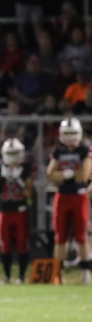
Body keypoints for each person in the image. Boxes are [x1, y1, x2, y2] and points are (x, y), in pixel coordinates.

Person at [46, 118, 91, 284]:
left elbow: (83, 176)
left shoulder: (85, 151)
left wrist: (64, 174)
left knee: (81, 235)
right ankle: (57, 274)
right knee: (60, 237)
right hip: (62, 196)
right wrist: (69, 174)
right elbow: (50, 174)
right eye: (67, 133)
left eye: (73, 133)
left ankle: (86, 273)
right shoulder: (59, 151)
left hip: (79, 196)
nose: (70, 137)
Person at [0, 139, 33, 284]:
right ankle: (6, 276)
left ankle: (22, 276)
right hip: (4, 210)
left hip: (20, 210)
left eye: (15, 153)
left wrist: (18, 180)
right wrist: (1, 179)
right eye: (10, 153)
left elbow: (29, 194)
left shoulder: (26, 169)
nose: (12, 156)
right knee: (5, 244)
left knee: (22, 243)